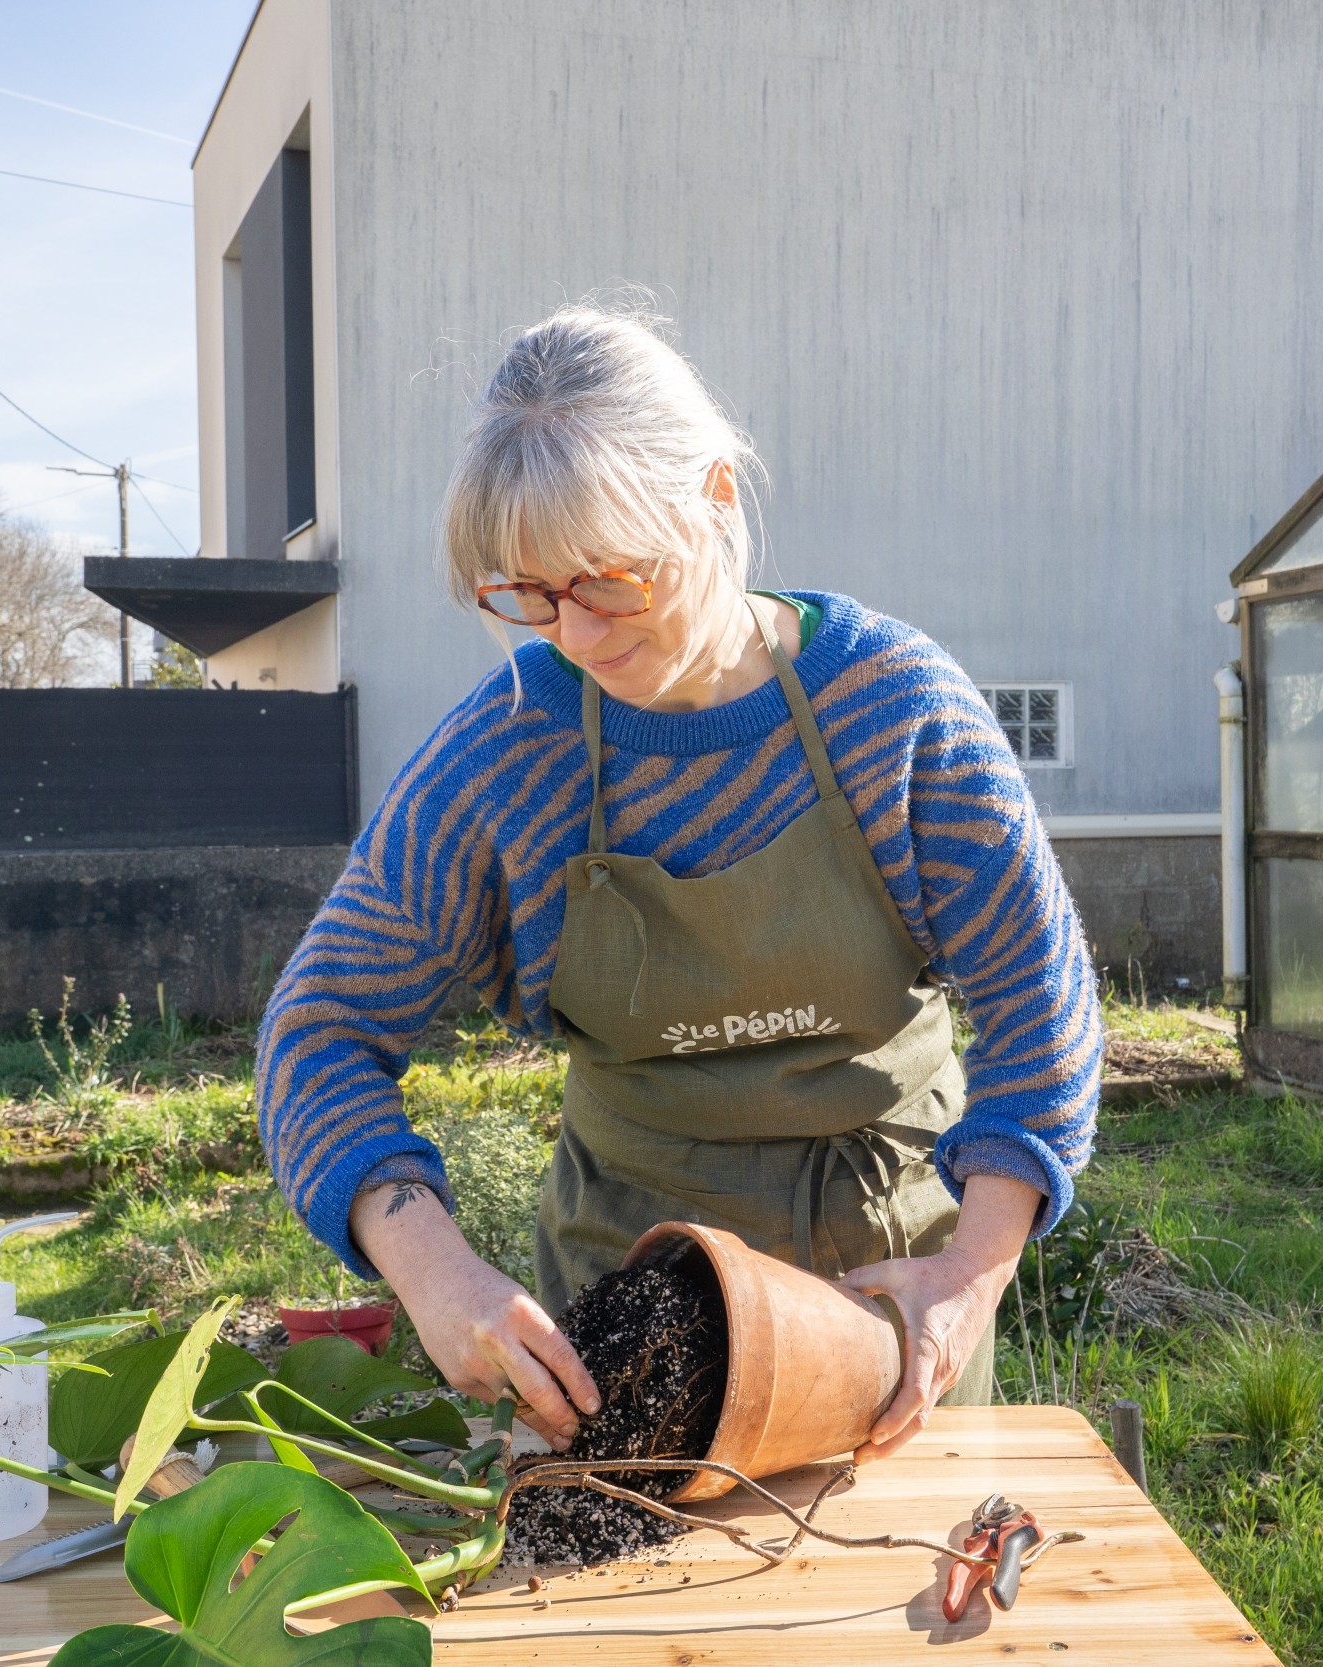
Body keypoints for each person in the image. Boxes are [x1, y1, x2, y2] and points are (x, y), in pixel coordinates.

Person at [257, 302, 1099, 1462]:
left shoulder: (894, 711)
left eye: (609, 581)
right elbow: (319, 1029)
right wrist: (434, 1271)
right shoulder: (503, 757)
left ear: (711, 497)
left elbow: (1040, 1003)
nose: (578, 636)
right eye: (531, 595)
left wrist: (970, 1271)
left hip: (889, 1301)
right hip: (630, 1306)